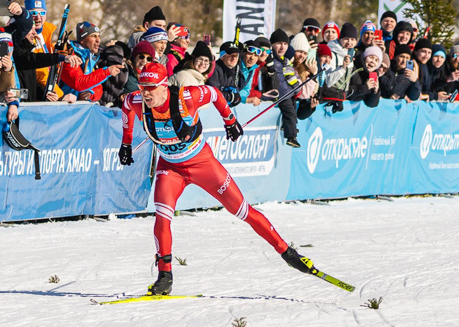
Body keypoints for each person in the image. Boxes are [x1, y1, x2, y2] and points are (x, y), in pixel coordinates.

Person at [118, 63, 322, 295]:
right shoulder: (137, 101)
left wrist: (230, 120)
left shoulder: (188, 97)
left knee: (242, 211)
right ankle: (165, 276)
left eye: (151, 87)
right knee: (162, 217)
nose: (145, 93)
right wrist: (126, 143)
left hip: (202, 165)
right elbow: (126, 107)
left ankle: (288, 253)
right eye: (142, 87)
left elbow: (214, 94)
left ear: (164, 86)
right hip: (170, 168)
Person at [59, 22, 122, 102]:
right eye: (93, 36)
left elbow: (97, 86)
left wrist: (91, 95)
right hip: (62, 106)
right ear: (82, 40)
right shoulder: (69, 54)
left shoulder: (92, 57)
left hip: (78, 107)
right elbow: (78, 83)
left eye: (99, 36)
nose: (98, 40)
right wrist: (106, 72)